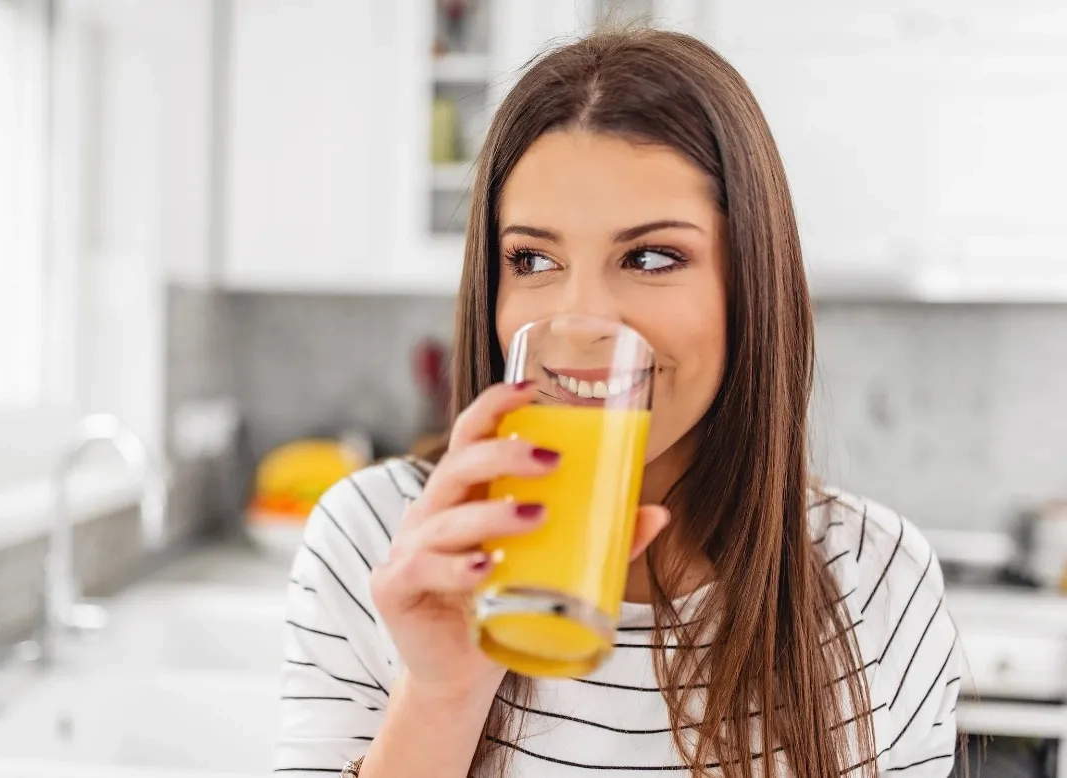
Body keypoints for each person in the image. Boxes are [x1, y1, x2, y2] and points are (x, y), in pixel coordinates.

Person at [274, 28, 960, 778]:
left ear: (748, 284)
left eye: (651, 257)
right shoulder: (378, 545)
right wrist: (442, 699)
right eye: (533, 259)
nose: (581, 323)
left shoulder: (879, 577)